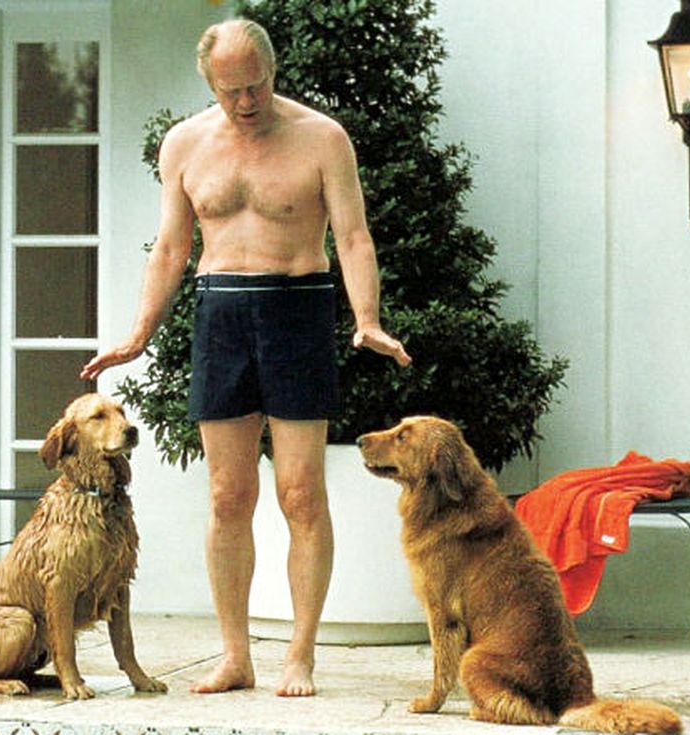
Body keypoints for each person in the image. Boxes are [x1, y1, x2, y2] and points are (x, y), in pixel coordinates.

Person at [80, 19, 411, 697]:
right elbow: (171, 248)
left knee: (300, 493)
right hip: (222, 313)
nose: (247, 100)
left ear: (272, 70)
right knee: (228, 495)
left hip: (298, 306)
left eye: (256, 84)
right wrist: (139, 332)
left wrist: (367, 318)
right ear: (211, 84)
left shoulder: (323, 137)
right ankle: (236, 655)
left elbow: (352, 236)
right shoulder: (185, 144)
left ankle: (299, 655)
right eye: (232, 90)